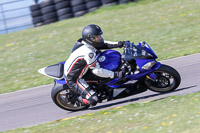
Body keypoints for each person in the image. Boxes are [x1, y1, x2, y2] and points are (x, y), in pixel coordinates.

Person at [64, 24, 126, 106]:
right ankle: (80, 99)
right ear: (91, 39)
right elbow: (97, 71)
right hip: (75, 78)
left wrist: (120, 43)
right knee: (94, 100)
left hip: (84, 68)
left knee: (106, 74)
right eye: (97, 37)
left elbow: (104, 44)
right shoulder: (88, 52)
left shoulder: (86, 42)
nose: (100, 38)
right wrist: (115, 74)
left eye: (100, 36)